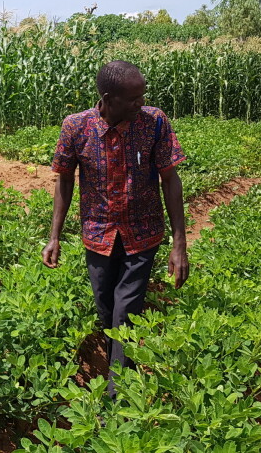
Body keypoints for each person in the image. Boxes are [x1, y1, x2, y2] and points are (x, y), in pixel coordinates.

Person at [41, 60, 189, 396]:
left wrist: (179, 244)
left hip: (143, 234)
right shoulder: (76, 126)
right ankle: (124, 375)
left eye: (142, 96)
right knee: (107, 312)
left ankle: (116, 399)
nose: (141, 103)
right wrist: (54, 237)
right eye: (134, 98)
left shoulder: (154, 122)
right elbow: (64, 180)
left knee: (125, 311)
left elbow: (170, 179)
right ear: (109, 99)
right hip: (98, 235)